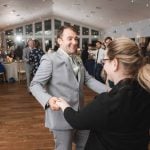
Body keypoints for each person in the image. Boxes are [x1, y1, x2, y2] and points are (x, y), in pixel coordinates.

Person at [56, 37, 150, 150]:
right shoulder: (145, 90)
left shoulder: (108, 102)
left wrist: (63, 105)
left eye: (104, 61)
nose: (103, 65)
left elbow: (77, 121)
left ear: (115, 63)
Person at [30, 25, 108, 150]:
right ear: (59, 41)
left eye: (76, 39)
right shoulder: (50, 59)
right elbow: (35, 85)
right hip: (61, 117)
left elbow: (88, 79)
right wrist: (49, 100)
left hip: (80, 116)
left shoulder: (77, 59)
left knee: (86, 145)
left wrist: (111, 91)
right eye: (70, 38)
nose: (75, 42)